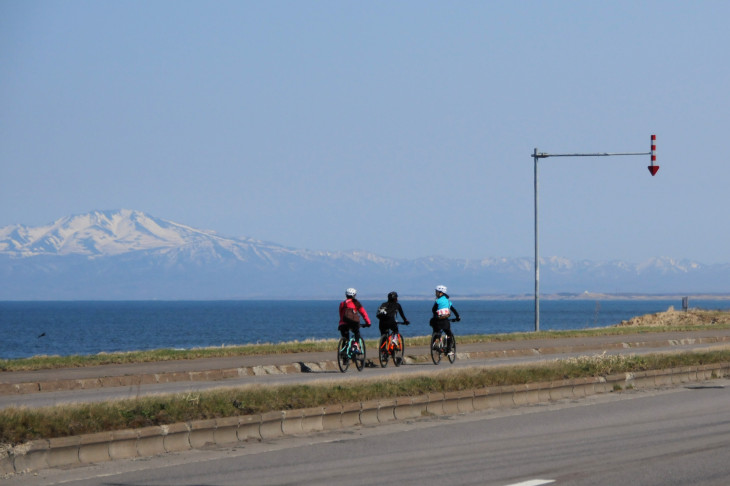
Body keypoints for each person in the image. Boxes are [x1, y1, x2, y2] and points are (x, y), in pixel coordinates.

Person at [338, 288, 371, 354]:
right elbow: (363, 313)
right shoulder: (356, 303)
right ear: (354, 295)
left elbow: (341, 314)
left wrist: (342, 322)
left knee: (345, 338)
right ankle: (355, 345)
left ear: (346, 295)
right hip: (353, 323)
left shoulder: (342, 303)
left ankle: (344, 356)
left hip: (343, 324)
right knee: (356, 332)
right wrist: (368, 323)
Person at [430, 284, 460, 355]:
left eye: (436, 292)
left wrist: (436, 315)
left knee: (436, 330)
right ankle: (449, 350)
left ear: (441, 293)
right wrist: (458, 317)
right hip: (445, 321)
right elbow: (453, 310)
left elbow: (433, 309)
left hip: (437, 321)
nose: (435, 293)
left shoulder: (438, 301)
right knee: (449, 334)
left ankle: (434, 343)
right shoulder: (447, 301)